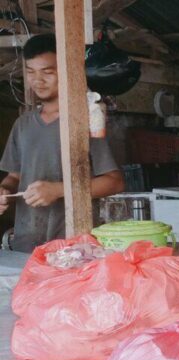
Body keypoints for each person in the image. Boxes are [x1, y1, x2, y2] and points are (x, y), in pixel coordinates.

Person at [0, 34, 124, 252]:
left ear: (67, 71)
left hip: (74, 247)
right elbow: (15, 176)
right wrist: (4, 190)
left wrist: (58, 190)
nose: (37, 80)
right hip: (26, 245)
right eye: (30, 72)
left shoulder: (88, 120)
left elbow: (114, 182)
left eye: (47, 72)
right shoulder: (23, 124)